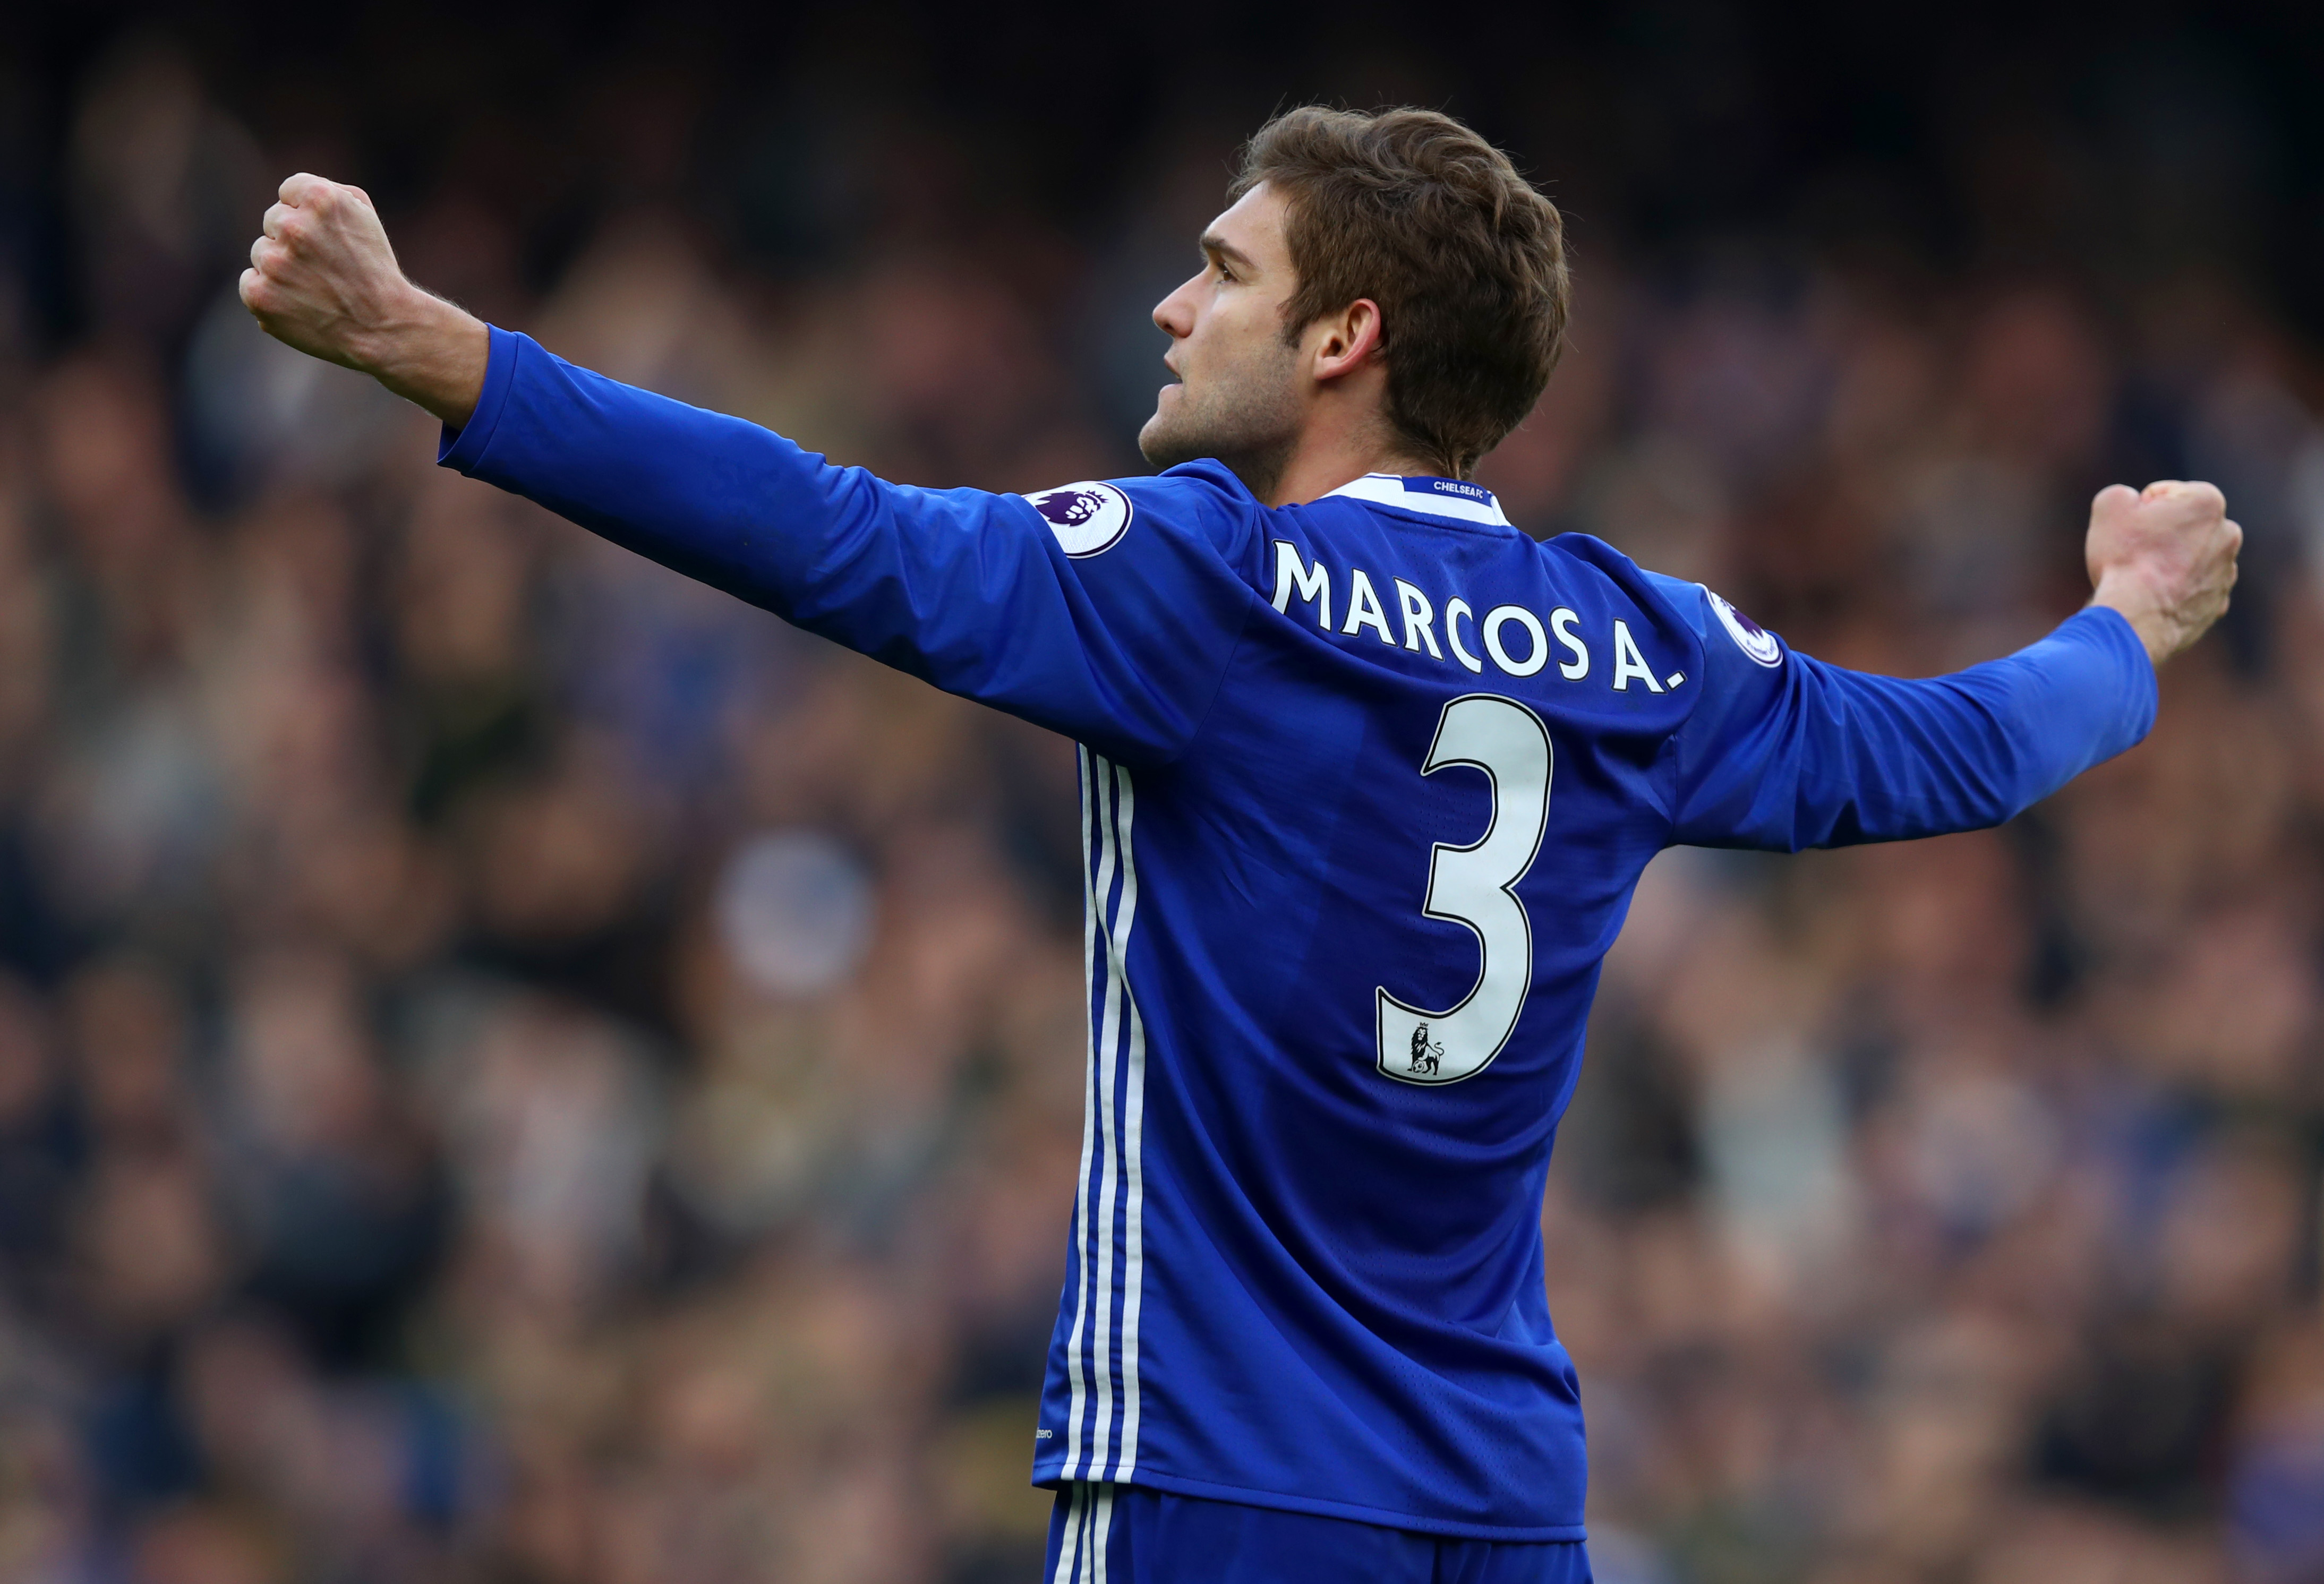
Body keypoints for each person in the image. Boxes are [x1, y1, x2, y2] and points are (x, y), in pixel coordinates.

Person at [237, 106, 2239, 1583]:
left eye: (1227, 271)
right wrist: (2126, 630)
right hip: (1507, 1502)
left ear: (1349, 336)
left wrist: (440, 350)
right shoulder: (1642, 645)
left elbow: (832, 535)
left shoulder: (1215, 581)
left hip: (1224, 1476)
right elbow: (1958, 751)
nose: (1176, 308)